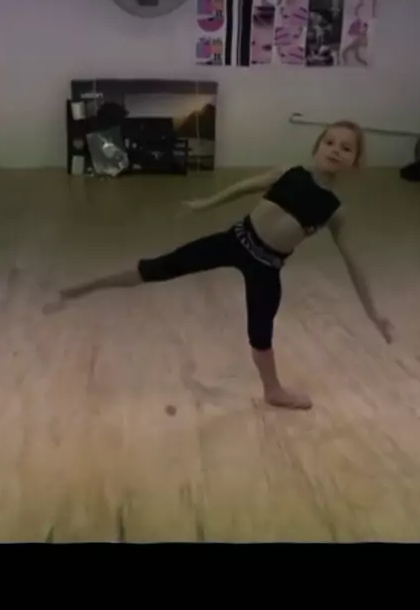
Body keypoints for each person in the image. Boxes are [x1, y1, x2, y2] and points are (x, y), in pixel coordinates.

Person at [45, 121, 394, 410]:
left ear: (355, 161)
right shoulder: (288, 172)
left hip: (266, 267)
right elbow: (243, 187)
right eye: (329, 142)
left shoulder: (334, 210)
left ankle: (273, 391)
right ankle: (80, 289)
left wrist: (374, 314)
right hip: (235, 240)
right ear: (317, 146)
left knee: (261, 335)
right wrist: (205, 203)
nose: (335, 150)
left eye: (346, 148)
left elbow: (354, 263)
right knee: (159, 267)